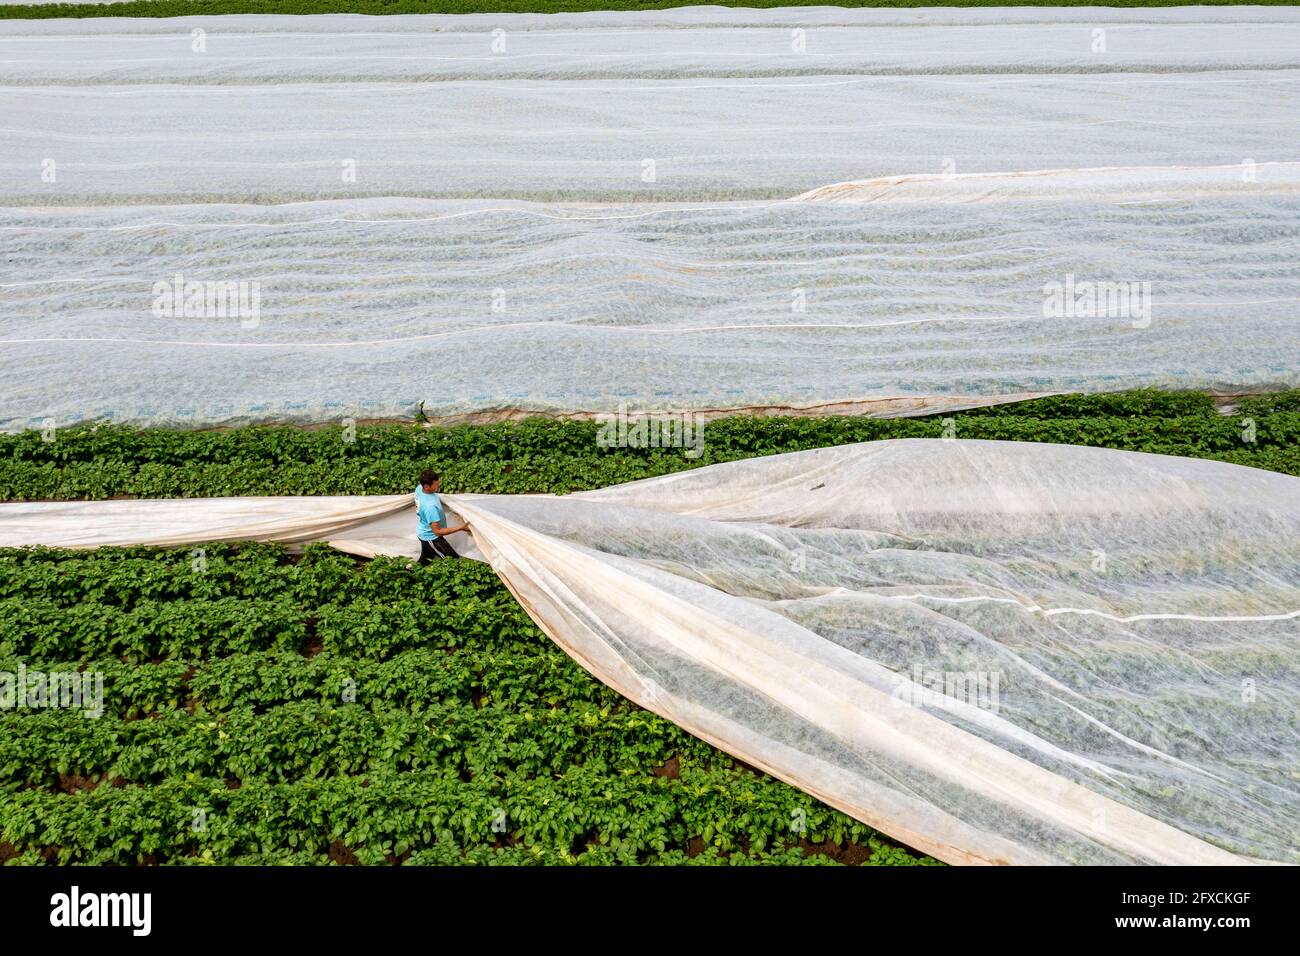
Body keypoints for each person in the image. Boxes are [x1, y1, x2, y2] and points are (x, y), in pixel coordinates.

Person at [415, 470, 468, 563]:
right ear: (426, 486)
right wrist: (461, 527)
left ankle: (413, 569)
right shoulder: (430, 507)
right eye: (436, 484)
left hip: (423, 531)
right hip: (431, 537)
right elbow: (437, 532)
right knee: (453, 561)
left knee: (426, 559)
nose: (438, 485)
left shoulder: (419, 489)